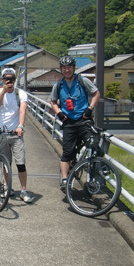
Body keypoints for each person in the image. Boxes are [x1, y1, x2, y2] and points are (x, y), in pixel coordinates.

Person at [50, 56, 100, 190]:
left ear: (73, 68)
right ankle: (65, 179)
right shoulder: (59, 85)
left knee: (94, 145)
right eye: (64, 68)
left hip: (84, 119)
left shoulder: (82, 80)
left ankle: (93, 175)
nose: (67, 70)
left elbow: (96, 94)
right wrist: (59, 113)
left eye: (69, 67)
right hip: (69, 122)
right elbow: (53, 101)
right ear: (61, 69)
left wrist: (90, 108)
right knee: (67, 152)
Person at [0, 67, 34, 203]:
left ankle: (23, 190)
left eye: (11, 79)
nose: (9, 81)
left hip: (16, 133)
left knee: (20, 164)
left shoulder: (20, 94)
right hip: (1, 133)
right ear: (2, 79)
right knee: (5, 163)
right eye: (6, 79)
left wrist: (20, 126)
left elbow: (23, 111)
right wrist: (3, 91)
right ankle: (7, 187)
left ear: (15, 80)